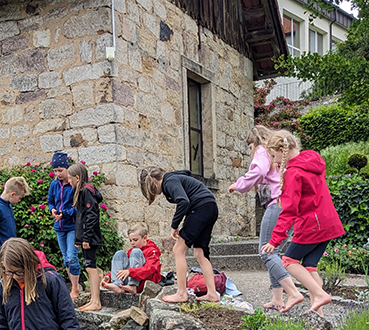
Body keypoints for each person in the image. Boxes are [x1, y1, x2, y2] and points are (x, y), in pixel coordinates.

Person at [261, 131, 345, 315]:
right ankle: (319, 315)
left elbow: (289, 211)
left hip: (311, 225)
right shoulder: (312, 162)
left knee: (288, 261)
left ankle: (317, 294)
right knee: (310, 266)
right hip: (328, 223)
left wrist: (274, 240)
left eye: (274, 156)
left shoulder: (294, 173)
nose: (275, 161)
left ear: (282, 150)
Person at [229, 126, 303, 312]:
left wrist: (239, 185)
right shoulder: (276, 154)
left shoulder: (262, 151)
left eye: (249, 146)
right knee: (274, 251)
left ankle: (293, 292)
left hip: (277, 204)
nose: (250, 150)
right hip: (288, 204)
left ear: (255, 142)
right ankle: (277, 298)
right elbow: (268, 175)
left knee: (266, 251)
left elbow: (259, 171)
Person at [139, 167, 219, 303]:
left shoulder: (169, 182)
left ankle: (181, 293)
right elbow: (188, 197)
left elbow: (183, 201)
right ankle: (212, 293)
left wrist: (174, 225)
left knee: (178, 250)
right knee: (200, 253)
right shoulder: (174, 178)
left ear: (153, 180)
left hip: (200, 209)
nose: (155, 193)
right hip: (210, 207)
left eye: (152, 188)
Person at [69, 163, 103, 312]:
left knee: (91, 268)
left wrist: (86, 239)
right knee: (89, 267)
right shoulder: (82, 191)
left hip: (90, 238)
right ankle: (93, 300)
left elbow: (91, 215)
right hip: (85, 238)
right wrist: (79, 239)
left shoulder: (86, 192)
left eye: (70, 179)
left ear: (77, 177)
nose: (68, 182)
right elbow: (81, 218)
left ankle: (96, 301)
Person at [47, 152, 81, 300]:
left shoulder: (73, 184)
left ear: (67, 168)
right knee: (66, 258)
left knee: (72, 257)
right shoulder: (54, 184)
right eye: (55, 170)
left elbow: (77, 207)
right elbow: (50, 201)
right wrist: (52, 210)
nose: (58, 173)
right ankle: (75, 287)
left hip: (72, 226)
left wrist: (64, 213)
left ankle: (75, 288)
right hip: (59, 227)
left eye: (60, 170)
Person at [101, 223, 162, 295]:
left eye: (135, 240)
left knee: (136, 251)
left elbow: (149, 269)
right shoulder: (131, 251)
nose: (132, 243)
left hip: (143, 281)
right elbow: (126, 268)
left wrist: (130, 272)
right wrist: (109, 276)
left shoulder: (152, 251)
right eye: (130, 240)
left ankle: (133, 285)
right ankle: (116, 284)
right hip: (129, 280)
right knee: (119, 253)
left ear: (144, 238)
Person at [0, 176, 30, 266]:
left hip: (11, 254)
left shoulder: (8, 206)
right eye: (19, 197)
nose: (19, 200)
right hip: (2, 257)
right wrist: (0, 258)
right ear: (12, 194)